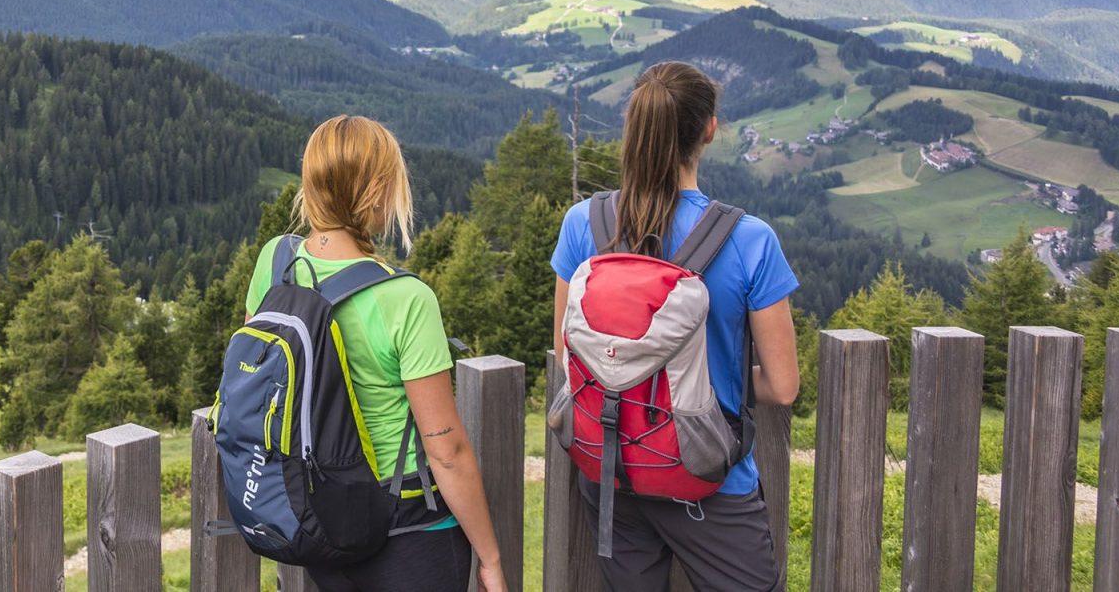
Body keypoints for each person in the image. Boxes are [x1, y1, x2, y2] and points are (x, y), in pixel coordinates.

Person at [549, 61, 801, 592]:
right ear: (709, 130)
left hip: (612, 472)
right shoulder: (750, 240)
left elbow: (567, 351)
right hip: (710, 482)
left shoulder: (583, 225)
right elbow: (782, 385)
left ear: (634, 127)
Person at [244, 114, 509, 592]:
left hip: (320, 513)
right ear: (378, 192)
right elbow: (446, 451)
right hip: (407, 525)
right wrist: (489, 558)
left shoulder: (275, 263)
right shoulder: (406, 299)